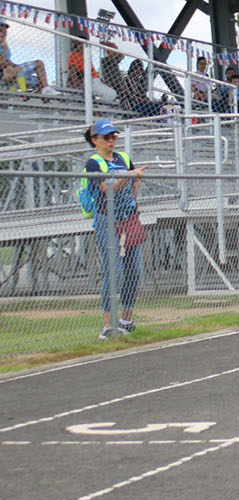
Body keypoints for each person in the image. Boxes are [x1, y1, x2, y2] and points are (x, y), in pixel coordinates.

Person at [78, 119, 147, 340]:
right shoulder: (93, 163)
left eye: (113, 137)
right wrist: (128, 177)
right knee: (114, 271)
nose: (111, 141)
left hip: (129, 218)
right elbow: (107, 189)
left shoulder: (123, 158)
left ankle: (126, 319)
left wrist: (132, 191)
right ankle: (108, 324)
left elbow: (133, 184)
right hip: (107, 221)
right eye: (106, 138)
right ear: (95, 140)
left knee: (133, 271)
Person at [0, 21, 51, 92]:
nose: (3, 33)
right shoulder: (4, 46)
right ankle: (23, 92)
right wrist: (4, 49)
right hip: (4, 72)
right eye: (1, 30)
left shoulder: (4, 45)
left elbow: (7, 61)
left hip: (11, 69)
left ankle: (45, 90)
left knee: (39, 79)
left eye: (4, 31)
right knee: (38, 63)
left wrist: (12, 65)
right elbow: (2, 63)